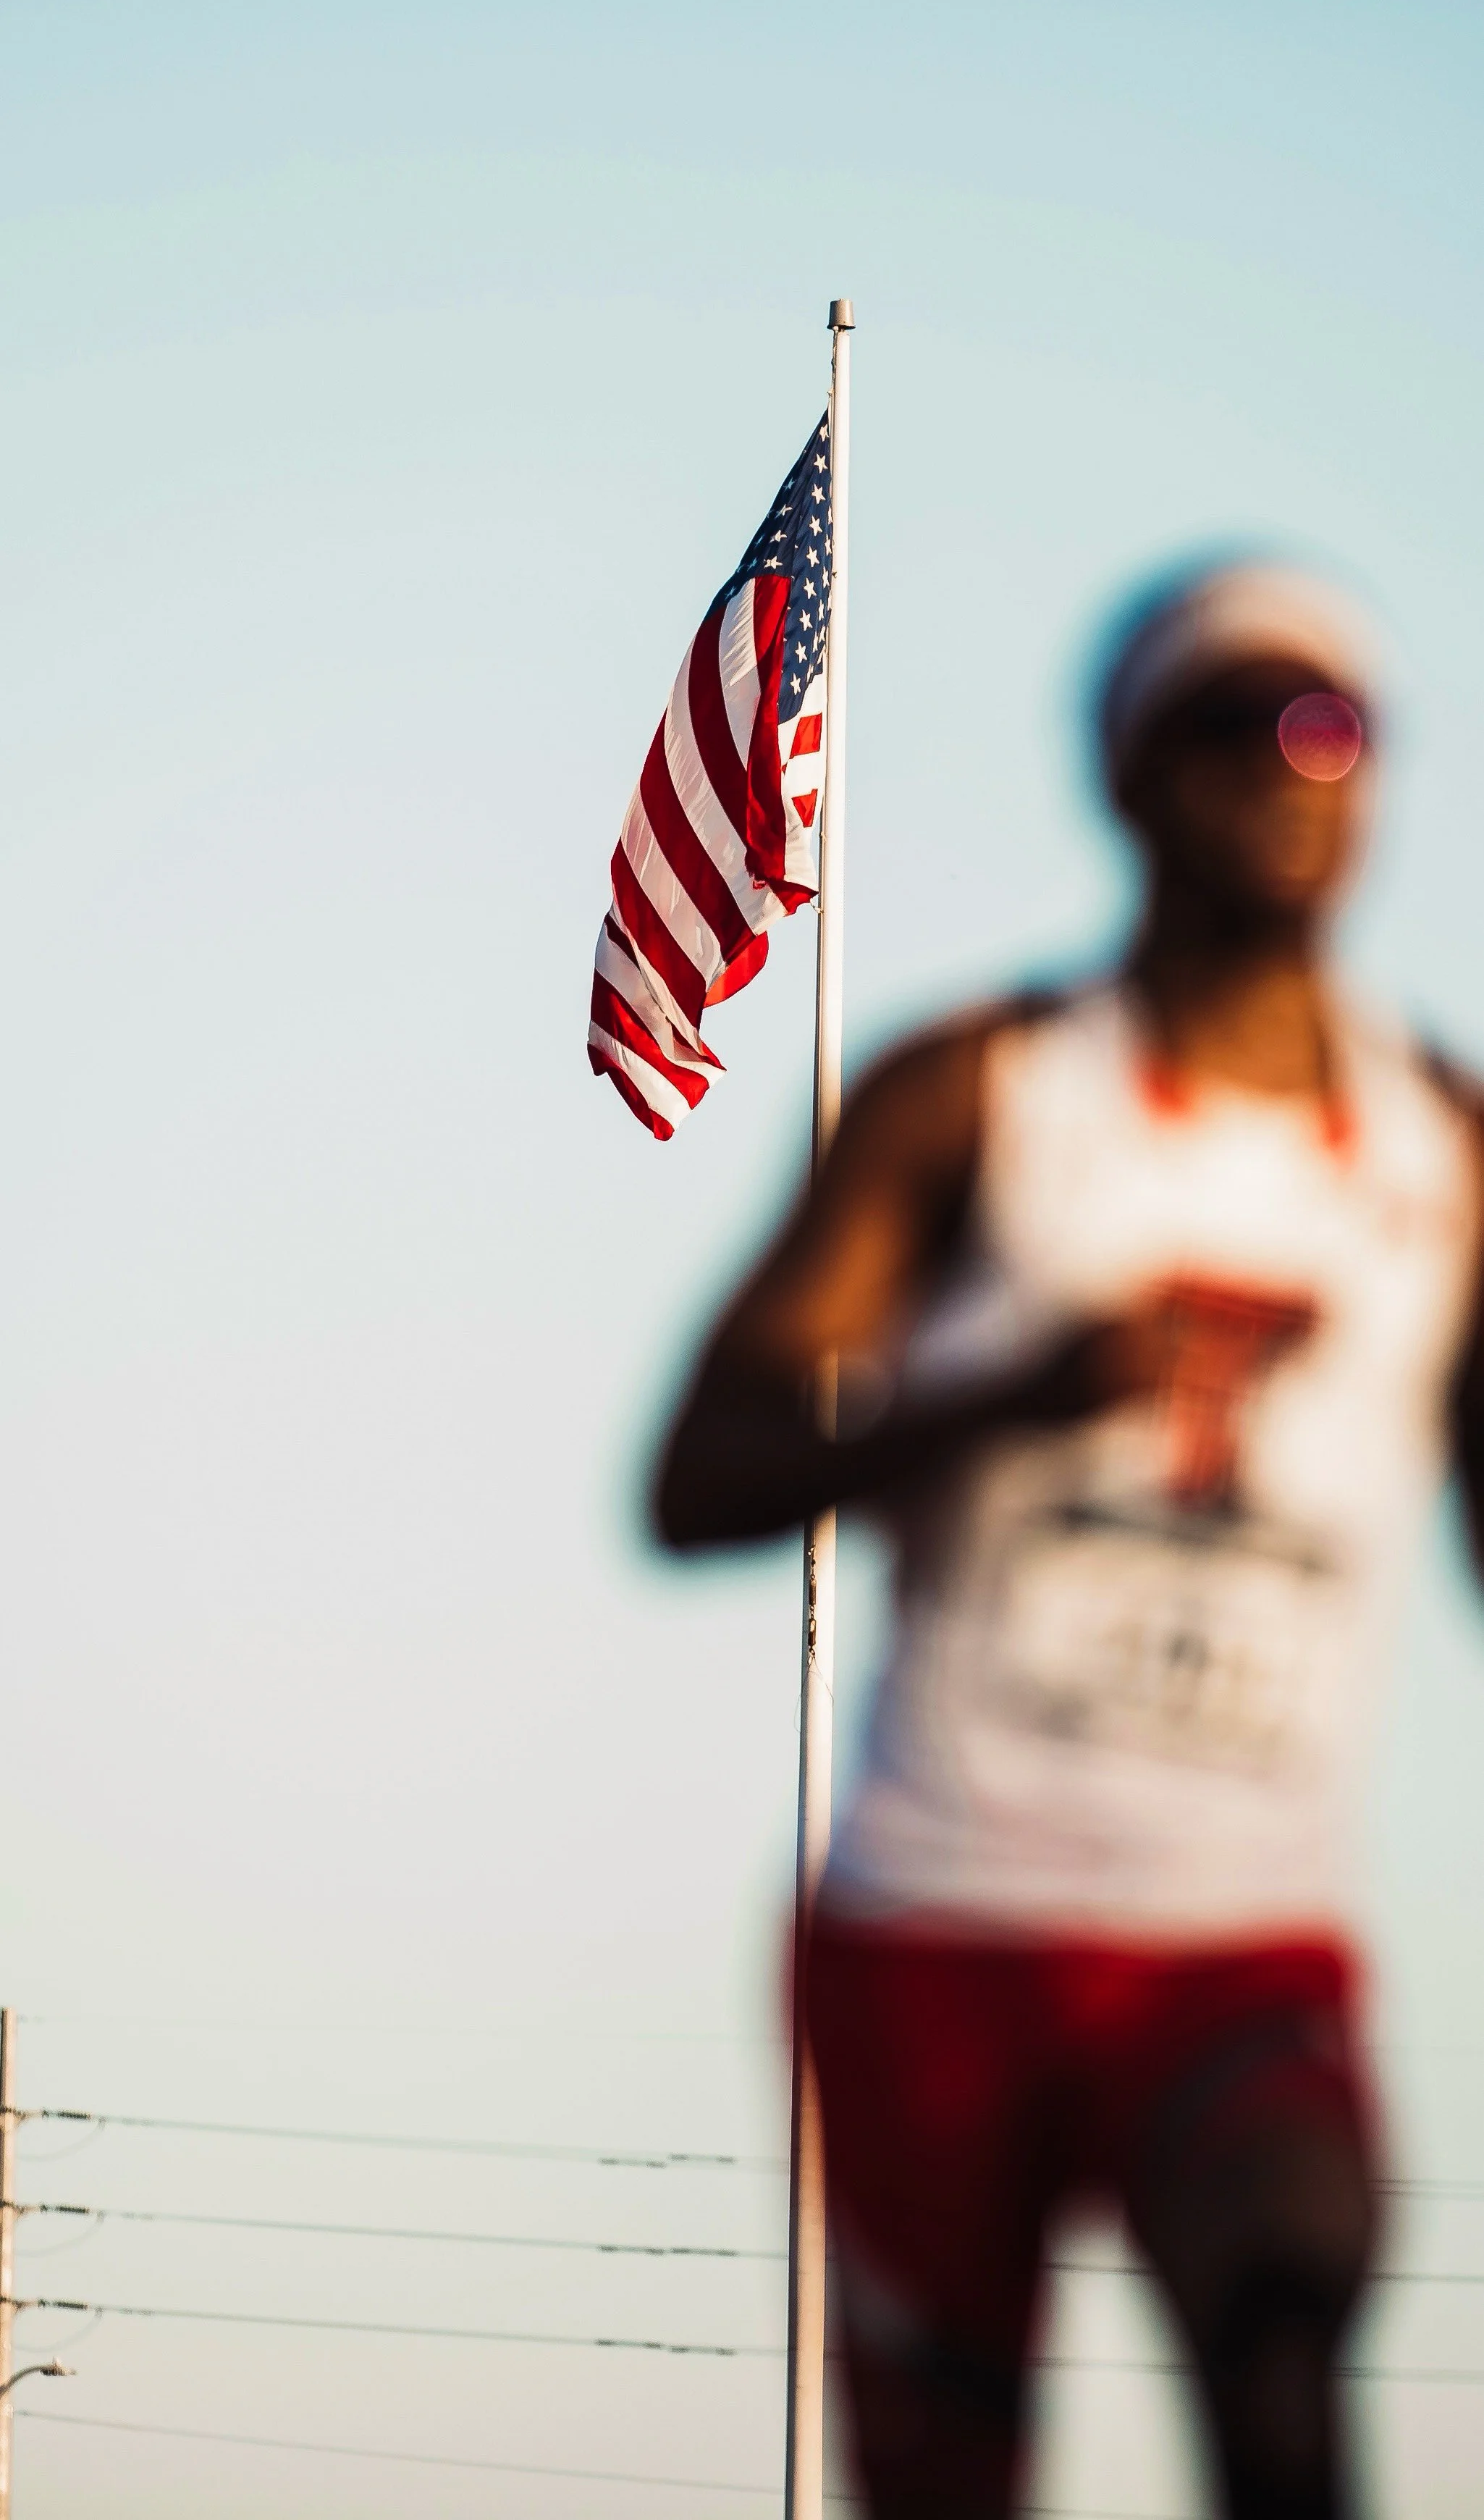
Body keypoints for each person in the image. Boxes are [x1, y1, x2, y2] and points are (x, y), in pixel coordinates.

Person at [652, 559, 1484, 2520]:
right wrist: (1003, 1397)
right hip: (939, 1926)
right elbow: (700, 1469)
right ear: (1129, 777)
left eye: (1338, 727)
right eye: (1241, 724)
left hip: (1238, 1936)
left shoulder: (1441, 1152)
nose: (1298, 768)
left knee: (1287, 2350)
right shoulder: (981, 1102)